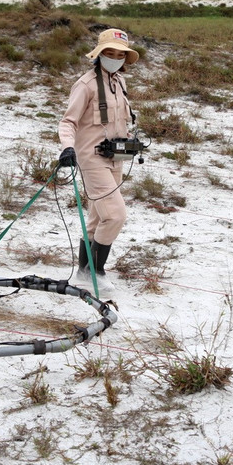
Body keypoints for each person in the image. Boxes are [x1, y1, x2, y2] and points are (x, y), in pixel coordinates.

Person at [58, 28, 139, 290]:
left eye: (120, 54)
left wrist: (128, 141)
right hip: (91, 158)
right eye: (110, 53)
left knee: (96, 216)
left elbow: (119, 120)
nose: (115, 58)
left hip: (115, 156)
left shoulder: (120, 82)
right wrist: (67, 148)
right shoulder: (86, 84)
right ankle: (98, 271)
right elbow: (68, 122)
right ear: (99, 54)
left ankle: (84, 272)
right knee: (115, 215)